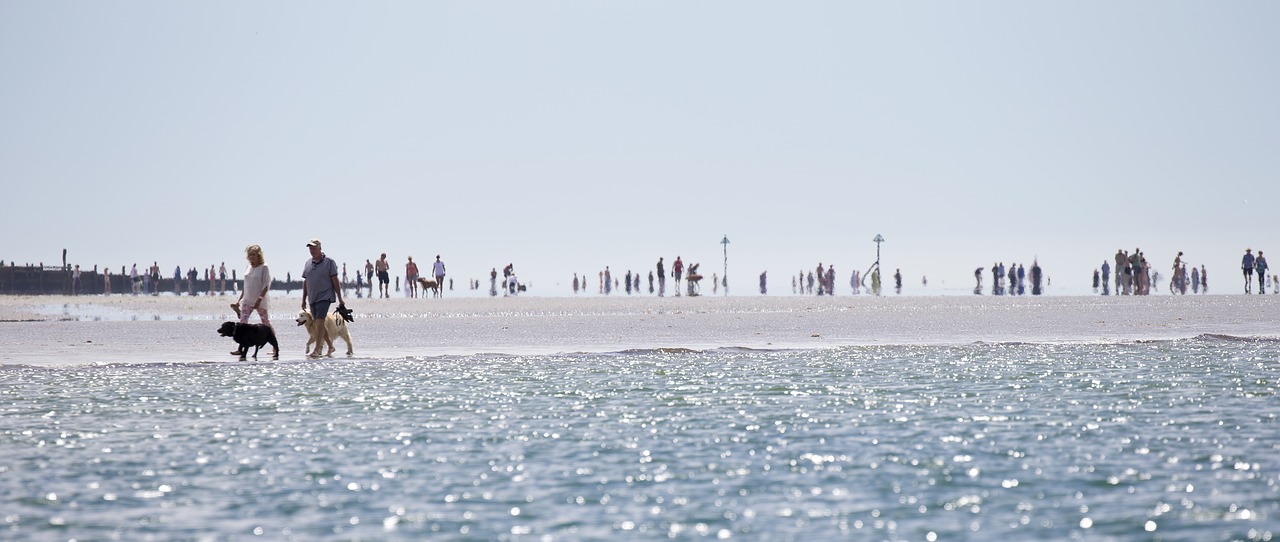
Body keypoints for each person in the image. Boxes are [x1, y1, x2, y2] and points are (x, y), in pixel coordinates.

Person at [302, 239, 345, 358]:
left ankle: (317, 349)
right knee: (318, 323)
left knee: (320, 321)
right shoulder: (308, 263)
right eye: (310, 248)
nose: (312, 250)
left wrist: (340, 298)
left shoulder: (329, 262)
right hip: (312, 297)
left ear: (320, 248)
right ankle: (331, 346)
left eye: (314, 248)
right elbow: (306, 282)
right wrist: (303, 299)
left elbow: (335, 280)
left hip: (325, 296)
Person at [232, 244, 275, 357]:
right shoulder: (248, 267)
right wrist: (239, 300)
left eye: (254, 255)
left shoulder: (264, 267)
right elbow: (246, 286)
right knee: (242, 323)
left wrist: (259, 299)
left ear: (259, 255)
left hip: (259, 300)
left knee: (265, 323)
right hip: (247, 300)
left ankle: (275, 347)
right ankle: (240, 348)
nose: (251, 257)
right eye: (250, 255)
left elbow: (266, 285)